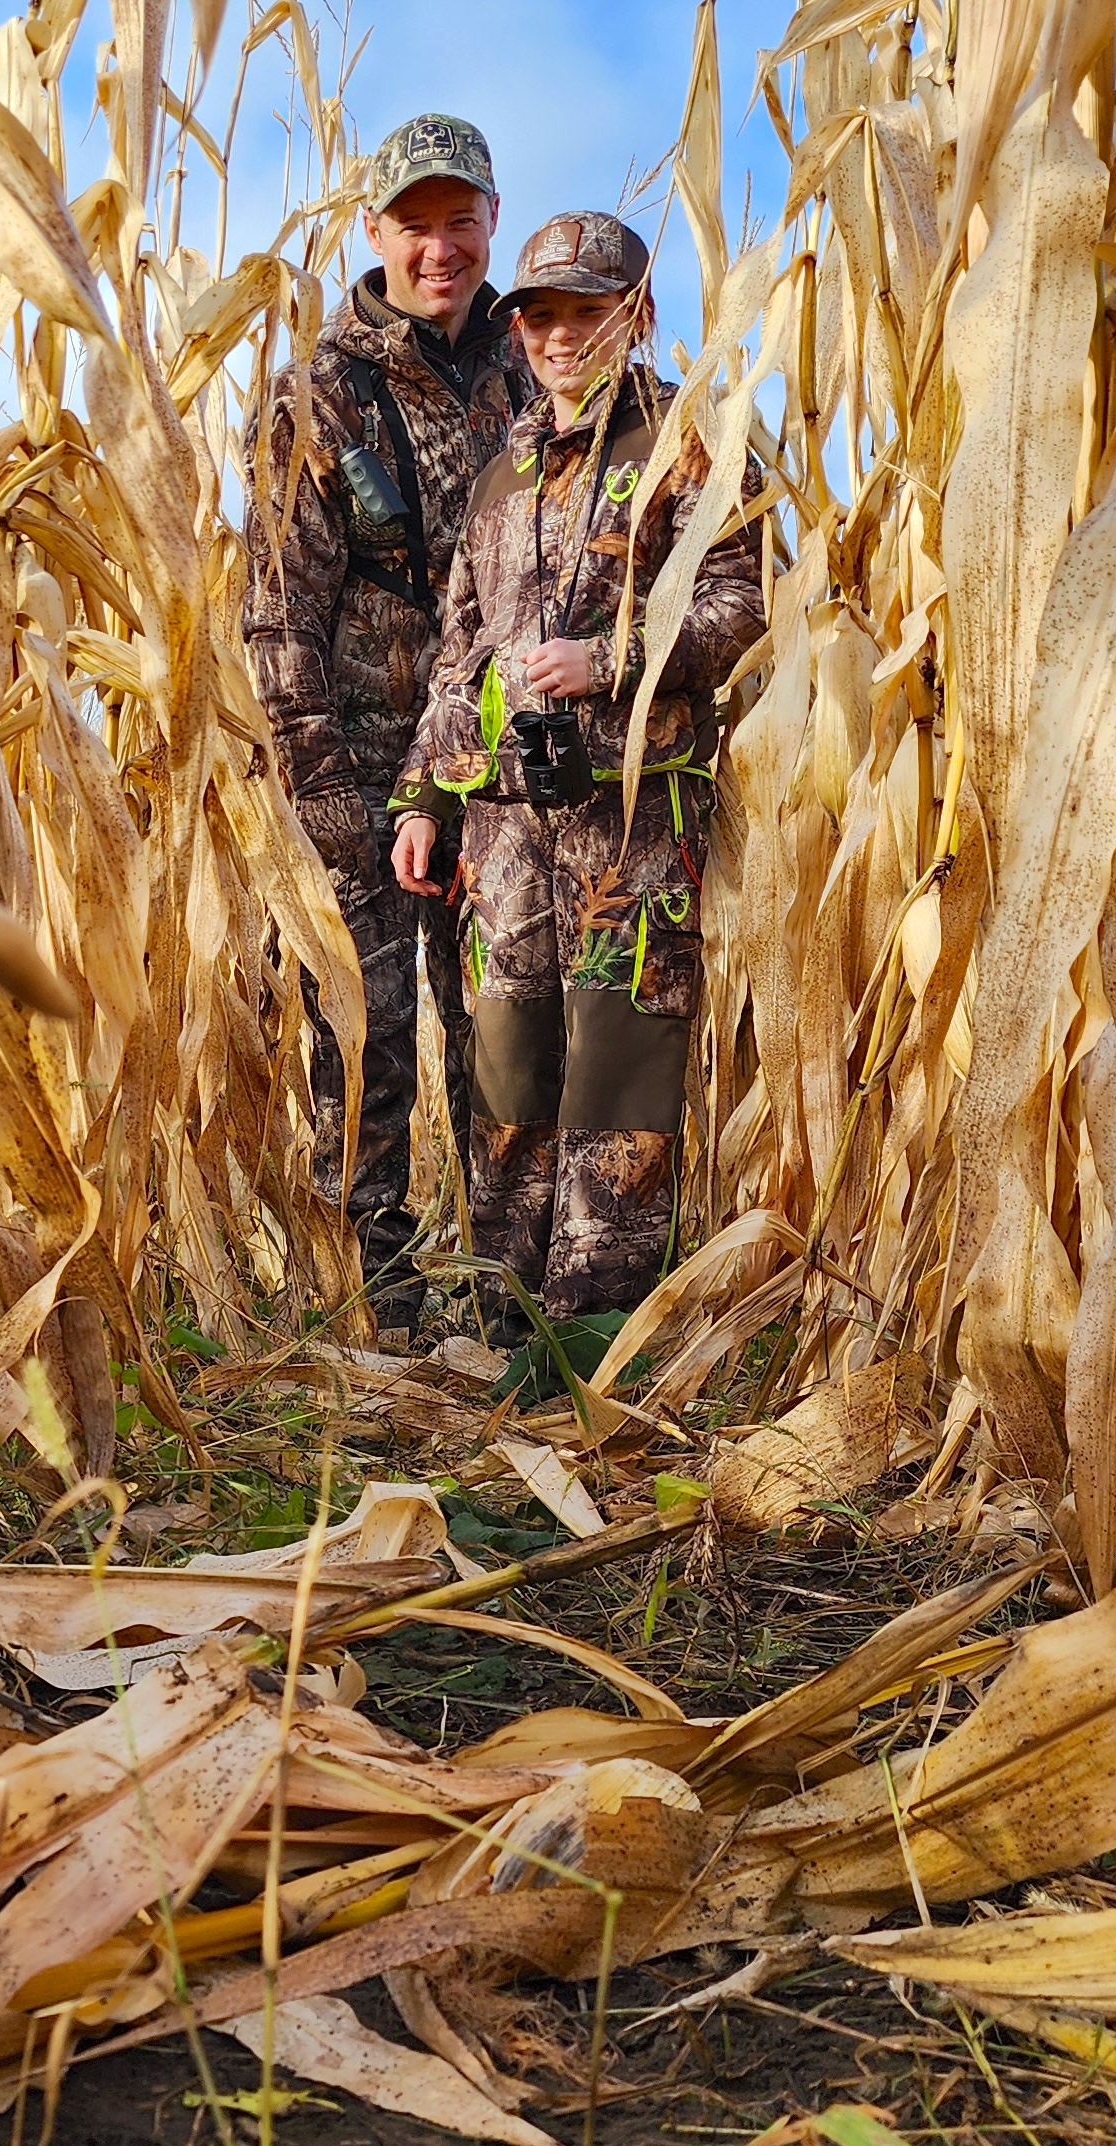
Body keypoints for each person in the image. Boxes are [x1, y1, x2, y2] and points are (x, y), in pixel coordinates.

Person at [389, 212, 766, 1337]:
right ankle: (507, 1334)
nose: (560, 335)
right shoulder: (503, 473)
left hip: (631, 824)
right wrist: (423, 796)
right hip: (502, 837)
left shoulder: (690, 439)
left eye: (586, 311)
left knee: (619, 1088)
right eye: (540, 314)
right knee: (506, 1075)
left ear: (636, 315)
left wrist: (611, 662)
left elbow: (745, 603)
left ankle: (596, 1348)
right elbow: (456, 649)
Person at [242, 114, 532, 1339]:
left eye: (458, 221)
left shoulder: (540, 368)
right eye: (413, 224)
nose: (438, 247)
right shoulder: (315, 393)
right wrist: (314, 794)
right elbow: (276, 612)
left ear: (490, 221)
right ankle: (372, 1300)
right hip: (350, 764)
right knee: (362, 1038)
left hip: (502, 766)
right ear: (373, 232)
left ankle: (505, 1291)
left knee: (505, 1026)